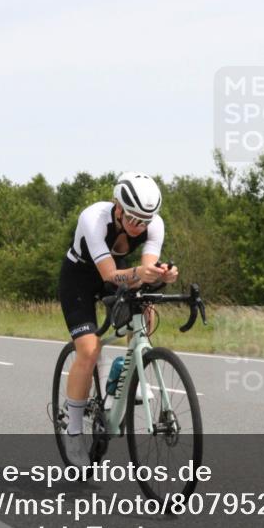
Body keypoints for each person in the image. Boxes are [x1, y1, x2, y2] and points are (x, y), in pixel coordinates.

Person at [58, 172, 178, 466]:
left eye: (146, 221)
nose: (140, 227)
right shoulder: (94, 218)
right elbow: (109, 275)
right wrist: (140, 274)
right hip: (81, 276)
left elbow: (146, 269)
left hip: (119, 270)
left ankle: (124, 373)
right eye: (134, 219)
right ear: (118, 208)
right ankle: (73, 432)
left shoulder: (153, 225)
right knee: (88, 350)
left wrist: (162, 274)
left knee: (145, 304)